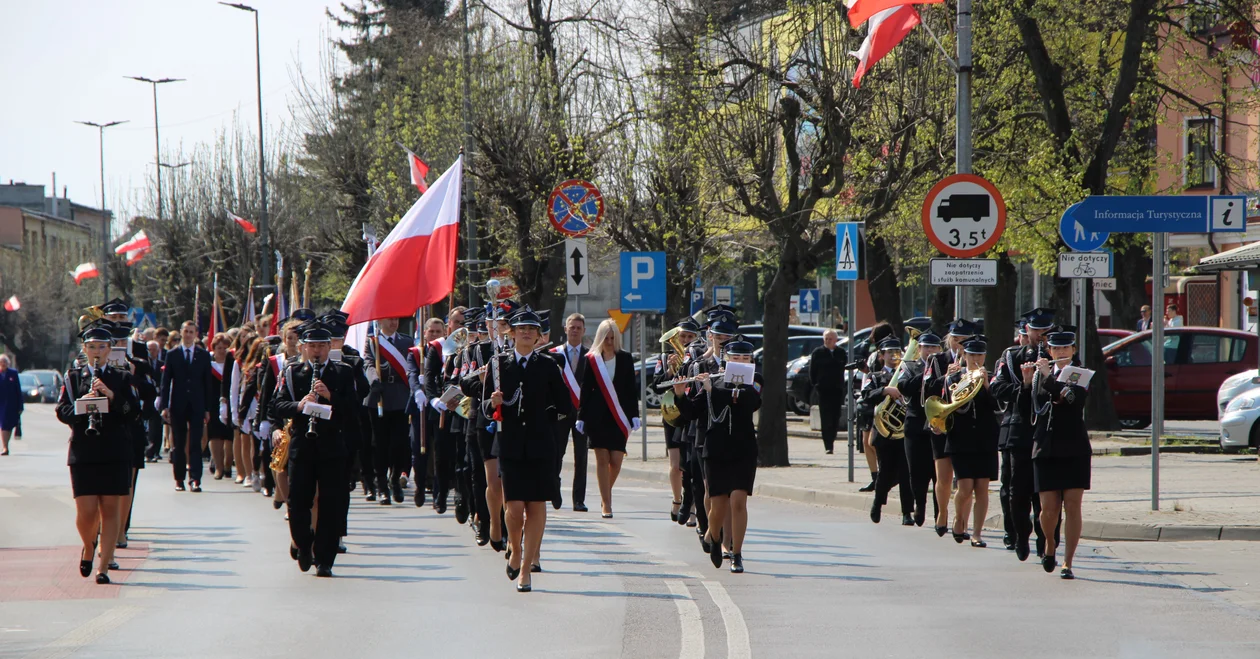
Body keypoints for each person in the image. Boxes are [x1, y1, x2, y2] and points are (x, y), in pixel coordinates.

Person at [483, 308, 572, 592]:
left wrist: (547, 417)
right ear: (511, 333)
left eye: (531, 329)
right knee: (514, 507)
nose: (526, 333)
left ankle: (525, 567)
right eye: (520, 328)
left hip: (540, 445)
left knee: (536, 506)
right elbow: (485, 408)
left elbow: (566, 406)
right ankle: (516, 547)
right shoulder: (497, 364)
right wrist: (493, 401)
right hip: (509, 445)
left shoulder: (548, 365)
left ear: (537, 336)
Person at [57, 323, 139, 584]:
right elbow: (62, 411)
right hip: (84, 450)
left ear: (109, 350)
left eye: (102, 347)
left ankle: (103, 565)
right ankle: (89, 545)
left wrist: (111, 396)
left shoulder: (122, 377)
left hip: (115, 449)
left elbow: (133, 412)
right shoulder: (73, 377)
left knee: (110, 508)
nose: (97, 352)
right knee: (86, 512)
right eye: (91, 347)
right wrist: (83, 407)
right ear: (84, 349)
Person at [273, 325, 357, 577]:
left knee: (330, 503)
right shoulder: (292, 372)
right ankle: (303, 542)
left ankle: (325, 559)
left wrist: (329, 396)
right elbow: (277, 405)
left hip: (332, 446)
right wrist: (299, 405)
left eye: (321, 346)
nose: (317, 351)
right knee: (298, 501)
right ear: (304, 348)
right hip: (302, 445)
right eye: (312, 346)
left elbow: (352, 409)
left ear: (330, 347)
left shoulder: (343, 372)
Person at [675, 337, 761, 573]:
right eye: (735, 358)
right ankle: (713, 536)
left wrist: (715, 391)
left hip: (743, 450)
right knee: (718, 506)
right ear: (726, 359)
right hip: (716, 451)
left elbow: (750, 402)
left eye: (746, 359)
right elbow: (693, 412)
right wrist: (681, 394)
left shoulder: (754, 382)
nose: (741, 363)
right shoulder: (712, 382)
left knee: (739, 501)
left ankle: (736, 553)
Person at [990, 308, 1060, 562]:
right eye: (1036, 330)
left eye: (1045, 330)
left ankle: (1047, 540)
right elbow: (997, 388)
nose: (1041, 335)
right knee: (1017, 491)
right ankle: (1021, 534)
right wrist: (1025, 384)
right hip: (1020, 432)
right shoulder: (1012, 356)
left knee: (1048, 493)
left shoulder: (1059, 355)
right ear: (1026, 331)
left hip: (1050, 432)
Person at [1033, 330, 1091, 579]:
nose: (1062, 353)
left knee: (1073, 505)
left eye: (1066, 348)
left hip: (1074, 446)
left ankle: (1068, 561)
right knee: (1048, 509)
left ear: (1074, 350)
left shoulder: (1081, 374)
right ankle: (1049, 543)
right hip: (1046, 446)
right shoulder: (1040, 374)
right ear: (1049, 352)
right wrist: (1029, 379)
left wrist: (1048, 379)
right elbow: (1033, 403)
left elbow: (1071, 398)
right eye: (1056, 349)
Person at [577, 319, 639, 518]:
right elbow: (585, 390)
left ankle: (606, 491)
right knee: (602, 459)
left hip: (619, 416)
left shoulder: (626, 358)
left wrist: (634, 415)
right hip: (597, 418)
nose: (610, 342)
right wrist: (581, 416)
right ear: (600, 338)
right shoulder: (591, 359)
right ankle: (607, 503)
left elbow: (631, 390)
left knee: (616, 460)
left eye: (613, 338)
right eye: (606, 338)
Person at [941, 336, 998, 547]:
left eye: (980, 355)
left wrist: (985, 386)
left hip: (985, 438)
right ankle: (958, 518)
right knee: (965, 488)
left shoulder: (992, 378)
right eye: (971, 354)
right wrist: (953, 380)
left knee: (982, 487)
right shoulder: (954, 377)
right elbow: (954, 405)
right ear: (964, 356)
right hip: (961, 438)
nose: (975, 359)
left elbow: (997, 407)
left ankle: (977, 533)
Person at [652, 317, 698, 520]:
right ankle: (677, 499)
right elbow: (656, 386)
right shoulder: (664, 357)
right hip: (672, 412)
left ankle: (693, 505)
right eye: (682, 336)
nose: (686, 340)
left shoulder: (698, 357)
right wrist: (670, 369)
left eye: (690, 336)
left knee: (691, 463)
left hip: (691, 411)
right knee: (675, 462)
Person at [160, 320, 215, 492]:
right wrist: (164, 405)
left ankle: (196, 478)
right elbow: (166, 381)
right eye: (186, 331)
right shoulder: (173, 354)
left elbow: (208, 383)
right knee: (179, 442)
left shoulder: (203, 355)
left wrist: (208, 408)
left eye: (192, 332)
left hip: (197, 404)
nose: (189, 334)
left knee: (195, 443)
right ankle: (179, 478)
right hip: (178, 403)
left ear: (196, 334)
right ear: (181, 333)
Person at [365, 316, 415, 505]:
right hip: (379, 397)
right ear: (380, 321)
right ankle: (382, 486)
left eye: (395, 319)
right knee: (380, 445)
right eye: (389, 320)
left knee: (399, 444)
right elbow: (369, 364)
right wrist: (374, 380)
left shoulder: (407, 341)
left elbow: (412, 365)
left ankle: (394, 479)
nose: (393, 323)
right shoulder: (372, 342)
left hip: (401, 397)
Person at [865, 337, 914, 526]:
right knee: (885, 472)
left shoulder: (907, 375)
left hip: (904, 431)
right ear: (881, 355)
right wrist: (885, 391)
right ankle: (877, 504)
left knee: (905, 472)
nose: (894, 355)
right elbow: (866, 396)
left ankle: (907, 512)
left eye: (897, 351)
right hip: (884, 432)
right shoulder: (874, 376)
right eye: (889, 352)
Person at [896, 330, 941, 529]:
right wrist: (925, 374)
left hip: (937, 423)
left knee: (938, 472)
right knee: (916, 470)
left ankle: (940, 512)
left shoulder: (945, 366)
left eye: (933, 347)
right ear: (919, 349)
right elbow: (903, 387)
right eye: (926, 347)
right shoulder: (910, 366)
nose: (930, 351)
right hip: (915, 423)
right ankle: (919, 505)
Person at [550, 313, 589, 512]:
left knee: (581, 458)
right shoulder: (553, 354)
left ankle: (578, 500)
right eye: (571, 327)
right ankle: (554, 493)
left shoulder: (591, 356)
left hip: (582, 414)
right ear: (565, 329)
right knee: (557, 454)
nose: (574, 330)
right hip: (560, 413)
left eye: (578, 327)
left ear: (583, 331)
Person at [808, 330, 847, 455]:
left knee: (836, 416)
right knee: (825, 417)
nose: (828, 341)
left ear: (835, 340)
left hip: (837, 389)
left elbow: (844, 367)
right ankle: (828, 445)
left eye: (830, 339)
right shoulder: (818, 353)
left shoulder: (840, 352)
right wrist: (816, 384)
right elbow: (812, 371)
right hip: (823, 390)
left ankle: (833, 437)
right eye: (826, 339)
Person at [208, 334, 236, 481]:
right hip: (213, 403)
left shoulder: (233, 363)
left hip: (230, 402)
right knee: (215, 435)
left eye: (225, 348)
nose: (222, 351)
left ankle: (227, 464)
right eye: (219, 348)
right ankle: (218, 467)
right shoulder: (209, 364)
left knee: (229, 436)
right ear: (214, 348)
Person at [143, 340, 165, 462]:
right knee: (149, 426)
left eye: (154, 349)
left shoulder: (162, 364)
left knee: (158, 425)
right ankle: (148, 451)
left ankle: (156, 450)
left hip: (159, 397)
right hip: (148, 397)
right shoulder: (144, 364)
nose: (152, 352)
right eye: (149, 349)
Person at [0, 355, 22, 456]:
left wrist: (20, 406)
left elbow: (18, 390)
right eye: (1, 362)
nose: (3, 364)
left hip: (12, 404)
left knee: (9, 426)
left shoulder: (13, 373)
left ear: (8, 363)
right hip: (1, 404)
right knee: (3, 425)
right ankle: (5, 447)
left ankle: (6, 444)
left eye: (4, 362)